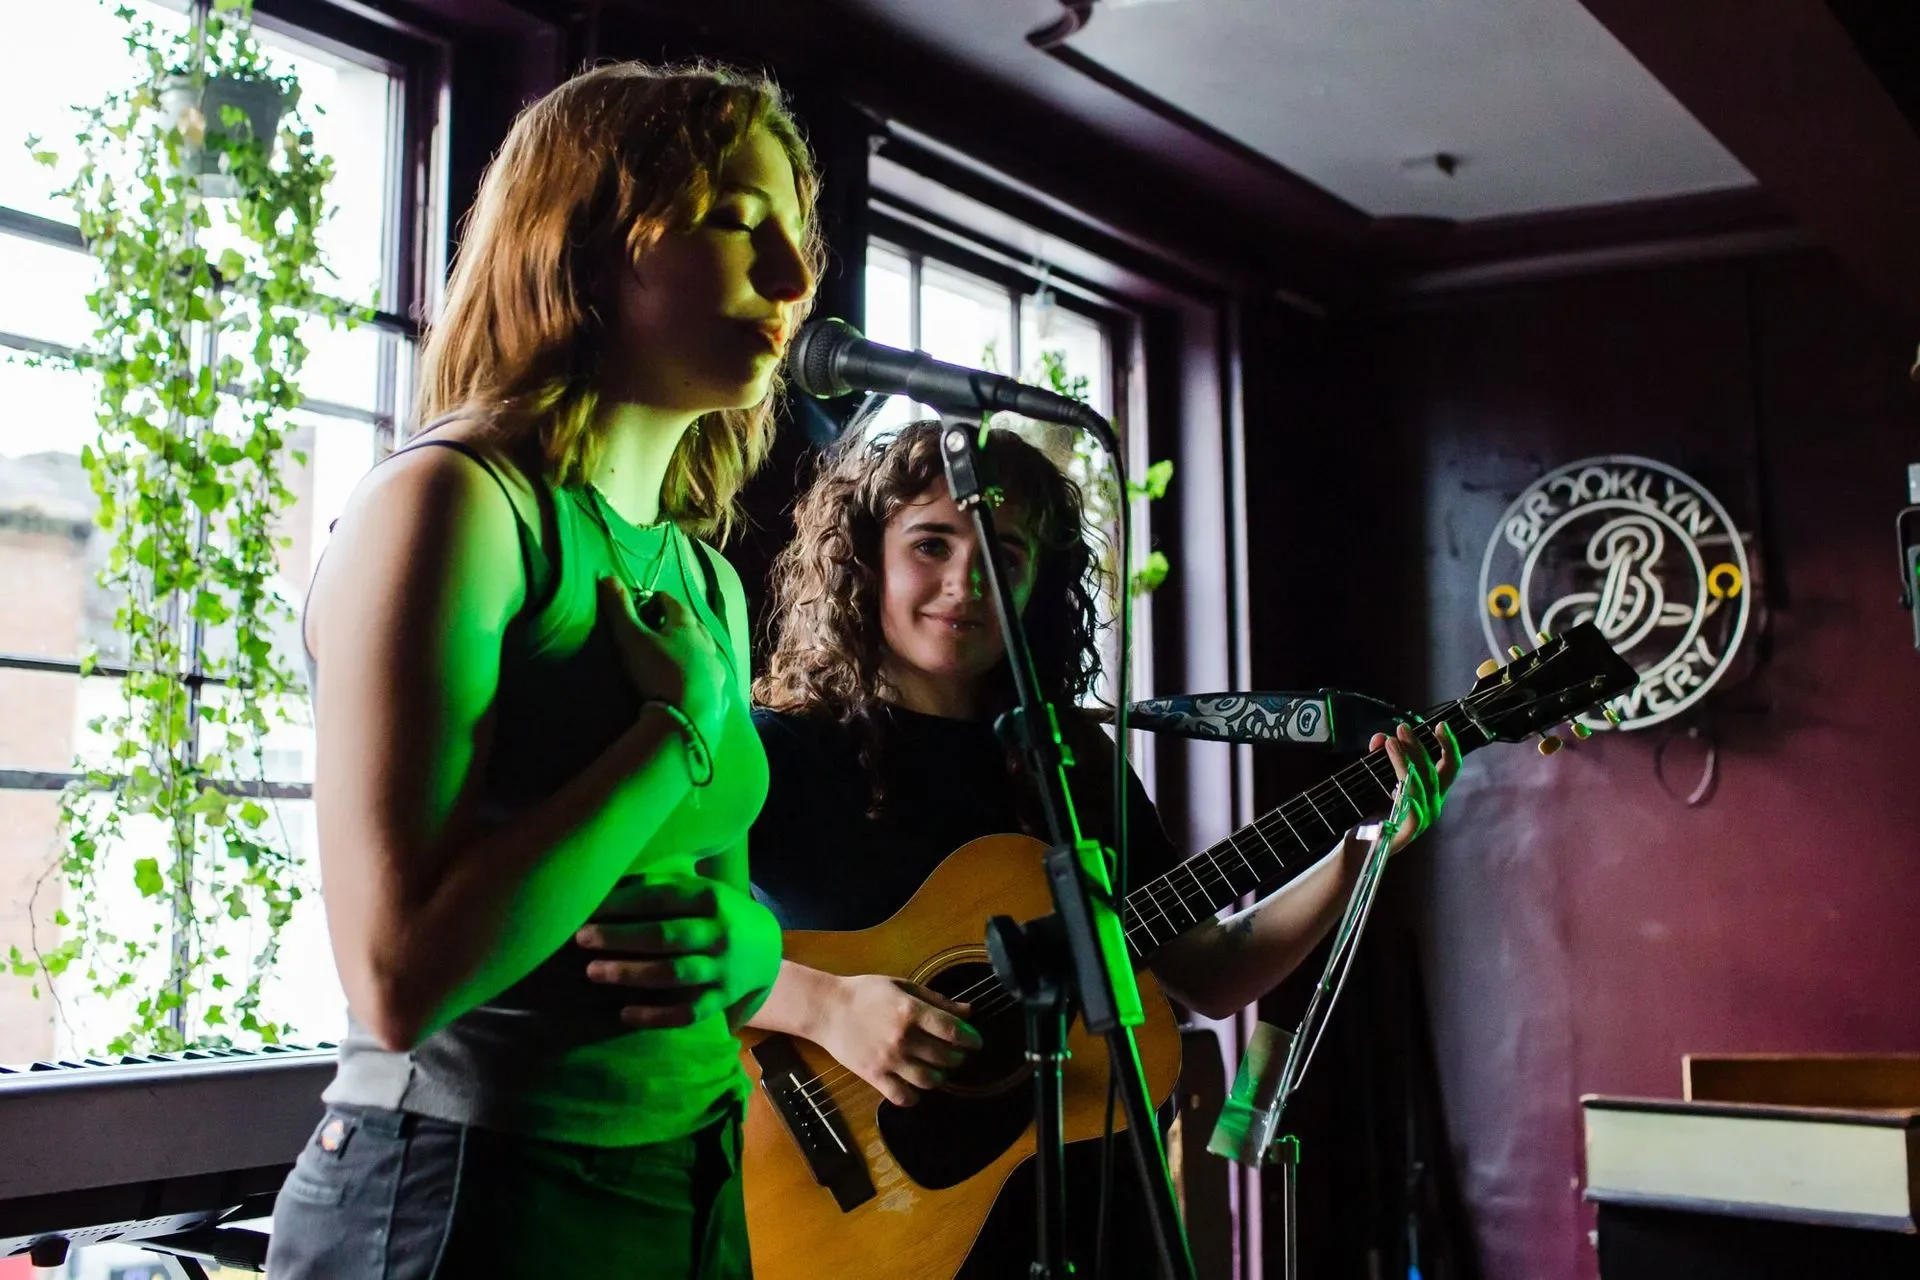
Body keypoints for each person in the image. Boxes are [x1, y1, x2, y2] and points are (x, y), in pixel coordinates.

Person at [266, 61, 820, 1278]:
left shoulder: (704, 578)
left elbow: (715, 925)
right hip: (467, 1190)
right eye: (739, 223)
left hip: (693, 1176)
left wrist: (755, 951)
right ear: (587, 237)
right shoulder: (451, 505)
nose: (794, 276)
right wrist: (671, 732)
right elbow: (400, 974)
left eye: (794, 232)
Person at [739, 420, 1454, 1276]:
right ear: (864, 556)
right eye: (931, 544)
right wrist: (826, 1007)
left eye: (1003, 554)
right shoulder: (777, 752)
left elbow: (1207, 970)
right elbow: (653, 949)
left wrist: (1360, 852)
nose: (966, 583)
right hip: (871, 1221)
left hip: (1092, 1211)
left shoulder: (1070, 760)